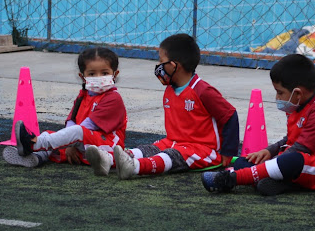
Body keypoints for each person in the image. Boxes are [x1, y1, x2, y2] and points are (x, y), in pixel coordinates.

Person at [86, 33, 239, 179]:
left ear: (173, 66)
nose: (158, 66)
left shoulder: (203, 91)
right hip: (173, 142)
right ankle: (108, 160)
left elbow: (230, 115)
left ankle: (134, 167)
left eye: (160, 61)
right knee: (148, 149)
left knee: (168, 156)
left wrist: (228, 151)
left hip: (202, 149)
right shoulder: (170, 90)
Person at [201, 53, 315, 196]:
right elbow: (290, 139)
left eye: (279, 92)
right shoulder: (297, 103)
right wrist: (269, 151)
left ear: (297, 93)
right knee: (243, 161)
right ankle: (281, 183)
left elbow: (302, 149)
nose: (277, 98)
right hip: (295, 160)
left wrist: (271, 162)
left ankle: (232, 179)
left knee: (291, 160)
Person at [6, 47, 127, 170]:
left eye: (105, 73)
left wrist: (71, 142)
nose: (98, 77)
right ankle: (36, 157)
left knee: (75, 133)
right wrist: (69, 143)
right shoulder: (83, 96)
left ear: (115, 74)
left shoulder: (113, 98)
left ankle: (33, 144)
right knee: (50, 134)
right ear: (82, 76)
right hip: (84, 146)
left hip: (108, 149)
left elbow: (87, 126)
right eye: (92, 74)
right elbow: (71, 122)